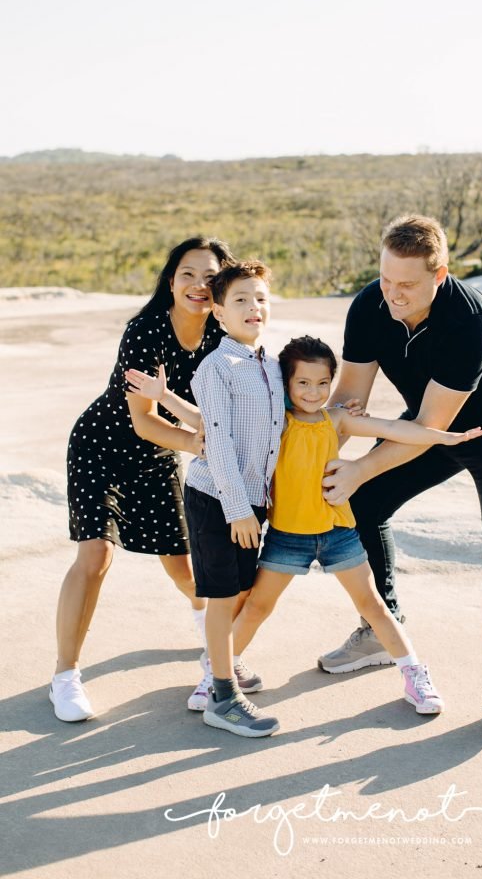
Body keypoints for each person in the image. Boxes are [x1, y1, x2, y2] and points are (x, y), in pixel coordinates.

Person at [319, 214, 482, 715]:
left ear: (439, 275)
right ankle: (381, 629)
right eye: (385, 279)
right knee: (362, 504)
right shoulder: (369, 306)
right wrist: (312, 459)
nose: (393, 294)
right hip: (427, 421)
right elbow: (348, 402)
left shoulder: (470, 319)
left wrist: (360, 467)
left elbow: (429, 428)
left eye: (407, 284)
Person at [229, 335, 482, 718]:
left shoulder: (338, 419)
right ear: (286, 384)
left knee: (373, 606)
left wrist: (441, 436)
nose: (313, 392)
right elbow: (226, 417)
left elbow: (397, 430)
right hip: (287, 536)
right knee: (257, 607)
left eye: (321, 383)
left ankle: (415, 676)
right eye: (302, 382)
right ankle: (217, 675)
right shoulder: (275, 422)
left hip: (338, 533)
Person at [50, 236, 234, 723]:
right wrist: (203, 444)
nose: (198, 285)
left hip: (158, 459)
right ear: (171, 281)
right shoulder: (146, 331)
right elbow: (145, 421)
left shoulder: (222, 336)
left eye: (209, 277)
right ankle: (64, 677)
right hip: (102, 447)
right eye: (187, 274)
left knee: (182, 566)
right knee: (96, 556)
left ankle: (210, 637)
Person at [181, 259, 284, 737]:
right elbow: (216, 442)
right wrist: (238, 510)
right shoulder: (215, 367)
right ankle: (221, 699)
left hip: (254, 500)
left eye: (260, 298)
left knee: (243, 589)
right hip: (217, 499)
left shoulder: (274, 366)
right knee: (223, 596)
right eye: (240, 300)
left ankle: (222, 662)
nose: (253, 307)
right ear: (218, 312)